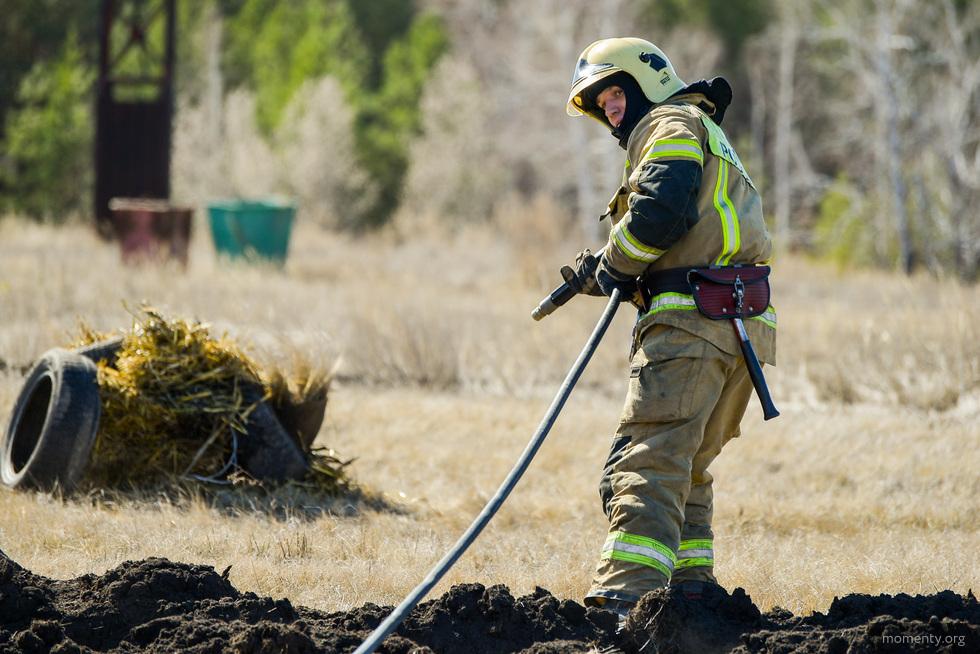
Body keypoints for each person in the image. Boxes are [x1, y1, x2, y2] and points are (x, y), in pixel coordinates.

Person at [558, 37, 777, 624]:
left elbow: (660, 210)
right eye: (598, 102)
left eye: (611, 93)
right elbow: (687, 225)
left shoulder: (669, 120)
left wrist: (614, 263)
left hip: (692, 324)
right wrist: (601, 269)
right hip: (739, 325)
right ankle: (690, 602)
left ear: (642, 82)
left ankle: (623, 603)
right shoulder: (701, 128)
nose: (608, 108)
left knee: (646, 463)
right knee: (685, 469)